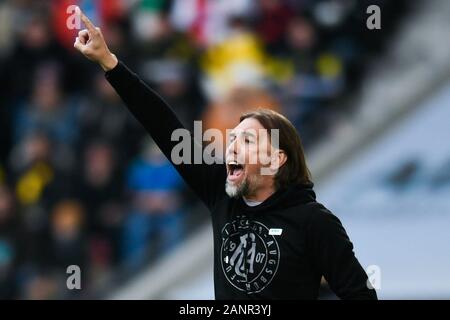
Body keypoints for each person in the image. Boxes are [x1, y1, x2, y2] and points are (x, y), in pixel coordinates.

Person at [73, 7, 377, 299]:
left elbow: (361, 295)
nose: (231, 147)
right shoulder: (221, 194)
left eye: (246, 141)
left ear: (276, 158)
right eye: (232, 139)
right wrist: (110, 63)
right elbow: (163, 125)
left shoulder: (313, 222)